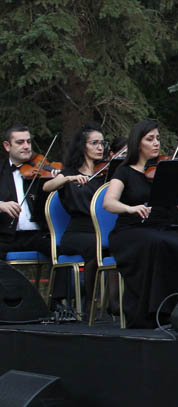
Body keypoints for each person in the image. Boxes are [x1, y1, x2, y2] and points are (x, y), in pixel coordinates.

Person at [103, 120, 178, 328]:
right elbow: (109, 202)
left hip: (159, 228)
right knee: (156, 243)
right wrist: (130, 208)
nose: (156, 143)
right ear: (137, 143)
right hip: (130, 231)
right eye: (150, 139)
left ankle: (174, 310)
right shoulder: (124, 171)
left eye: (157, 138)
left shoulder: (163, 171)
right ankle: (151, 312)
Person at [41, 124, 106, 304]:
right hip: (77, 232)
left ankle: (114, 302)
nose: (100, 147)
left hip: (100, 231)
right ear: (82, 146)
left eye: (102, 143)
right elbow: (47, 187)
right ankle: (90, 303)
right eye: (94, 143)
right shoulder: (69, 173)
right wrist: (69, 178)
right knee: (96, 247)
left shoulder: (105, 174)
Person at [0, 124, 51, 259]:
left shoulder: (42, 172)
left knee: (62, 250)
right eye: (20, 142)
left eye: (28, 141)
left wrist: (58, 179)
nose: (27, 146)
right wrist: (1, 205)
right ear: (7, 146)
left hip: (38, 235)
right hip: (6, 237)